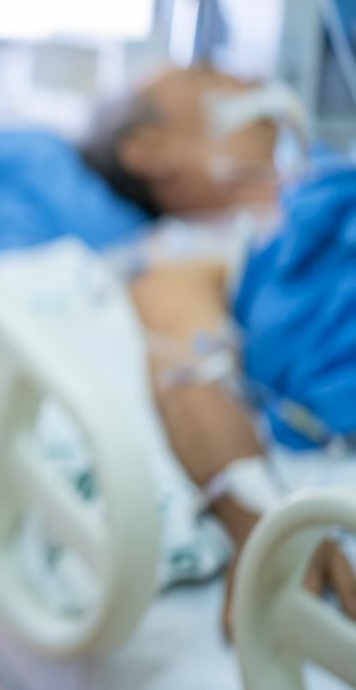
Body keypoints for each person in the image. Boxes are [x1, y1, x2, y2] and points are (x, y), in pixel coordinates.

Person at [81, 64, 356, 632]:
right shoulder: (183, 252)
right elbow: (190, 380)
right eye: (204, 74)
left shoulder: (321, 184)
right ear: (150, 150)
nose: (247, 76)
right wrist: (259, 526)